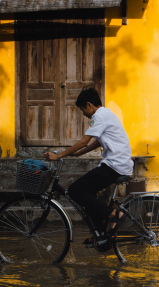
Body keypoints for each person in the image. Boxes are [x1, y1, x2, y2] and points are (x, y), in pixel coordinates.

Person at [45, 87, 133, 248]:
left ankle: (113, 214)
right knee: (89, 193)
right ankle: (99, 233)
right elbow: (97, 142)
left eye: (82, 110)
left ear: (89, 105)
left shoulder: (99, 117)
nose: (84, 114)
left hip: (114, 165)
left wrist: (59, 156)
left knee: (74, 190)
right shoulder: (107, 114)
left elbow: (84, 141)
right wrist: (78, 154)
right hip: (119, 164)